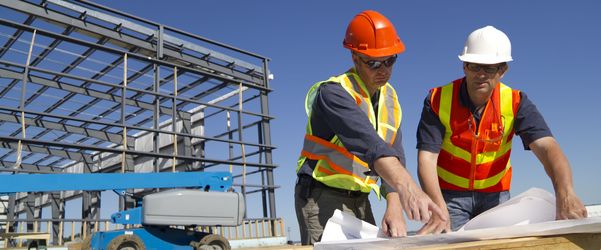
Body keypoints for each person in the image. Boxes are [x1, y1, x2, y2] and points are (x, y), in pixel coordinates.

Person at [416, 25, 588, 233]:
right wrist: (437, 206)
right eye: (474, 66)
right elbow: (427, 158)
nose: (481, 75)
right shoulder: (437, 100)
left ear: (502, 70)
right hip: (449, 196)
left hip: (496, 195)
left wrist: (566, 193)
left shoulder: (516, 102)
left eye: (489, 68)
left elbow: (548, 148)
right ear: (464, 66)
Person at [294, 10, 445, 245]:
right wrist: (409, 188)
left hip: (360, 198)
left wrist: (394, 205)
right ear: (355, 57)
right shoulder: (334, 93)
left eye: (390, 60)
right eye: (374, 62)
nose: (383, 70)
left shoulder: (390, 98)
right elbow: (371, 145)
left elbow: (394, 152)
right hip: (320, 195)